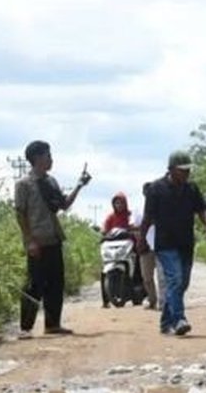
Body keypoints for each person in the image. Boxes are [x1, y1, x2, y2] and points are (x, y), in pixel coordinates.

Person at [13, 140, 89, 338]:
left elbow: (63, 204)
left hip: (54, 239)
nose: (51, 159)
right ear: (37, 158)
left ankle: (52, 324)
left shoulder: (51, 182)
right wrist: (29, 241)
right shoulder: (24, 185)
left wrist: (79, 185)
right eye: (48, 155)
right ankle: (25, 327)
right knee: (34, 285)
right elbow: (20, 214)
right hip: (37, 242)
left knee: (56, 283)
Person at [139, 151, 206, 337]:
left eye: (188, 170)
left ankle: (166, 322)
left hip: (186, 243)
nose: (187, 174)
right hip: (165, 245)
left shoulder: (192, 189)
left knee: (181, 284)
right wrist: (141, 240)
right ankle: (180, 319)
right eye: (183, 170)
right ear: (171, 169)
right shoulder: (156, 189)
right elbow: (147, 218)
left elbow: (201, 211)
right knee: (175, 279)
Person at [100, 192, 144, 308]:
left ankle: (139, 294)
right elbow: (104, 229)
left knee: (139, 267)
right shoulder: (110, 217)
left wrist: (133, 230)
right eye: (116, 203)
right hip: (114, 247)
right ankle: (105, 300)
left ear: (125, 203)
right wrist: (103, 232)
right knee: (103, 271)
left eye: (120, 203)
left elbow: (135, 225)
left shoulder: (130, 216)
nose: (118, 205)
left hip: (129, 246)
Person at [137, 182, 160, 310]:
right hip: (146, 247)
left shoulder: (162, 207)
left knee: (165, 277)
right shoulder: (139, 210)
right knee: (147, 277)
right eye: (146, 191)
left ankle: (165, 302)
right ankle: (152, 300)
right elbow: (135, 227)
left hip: (161, 246)